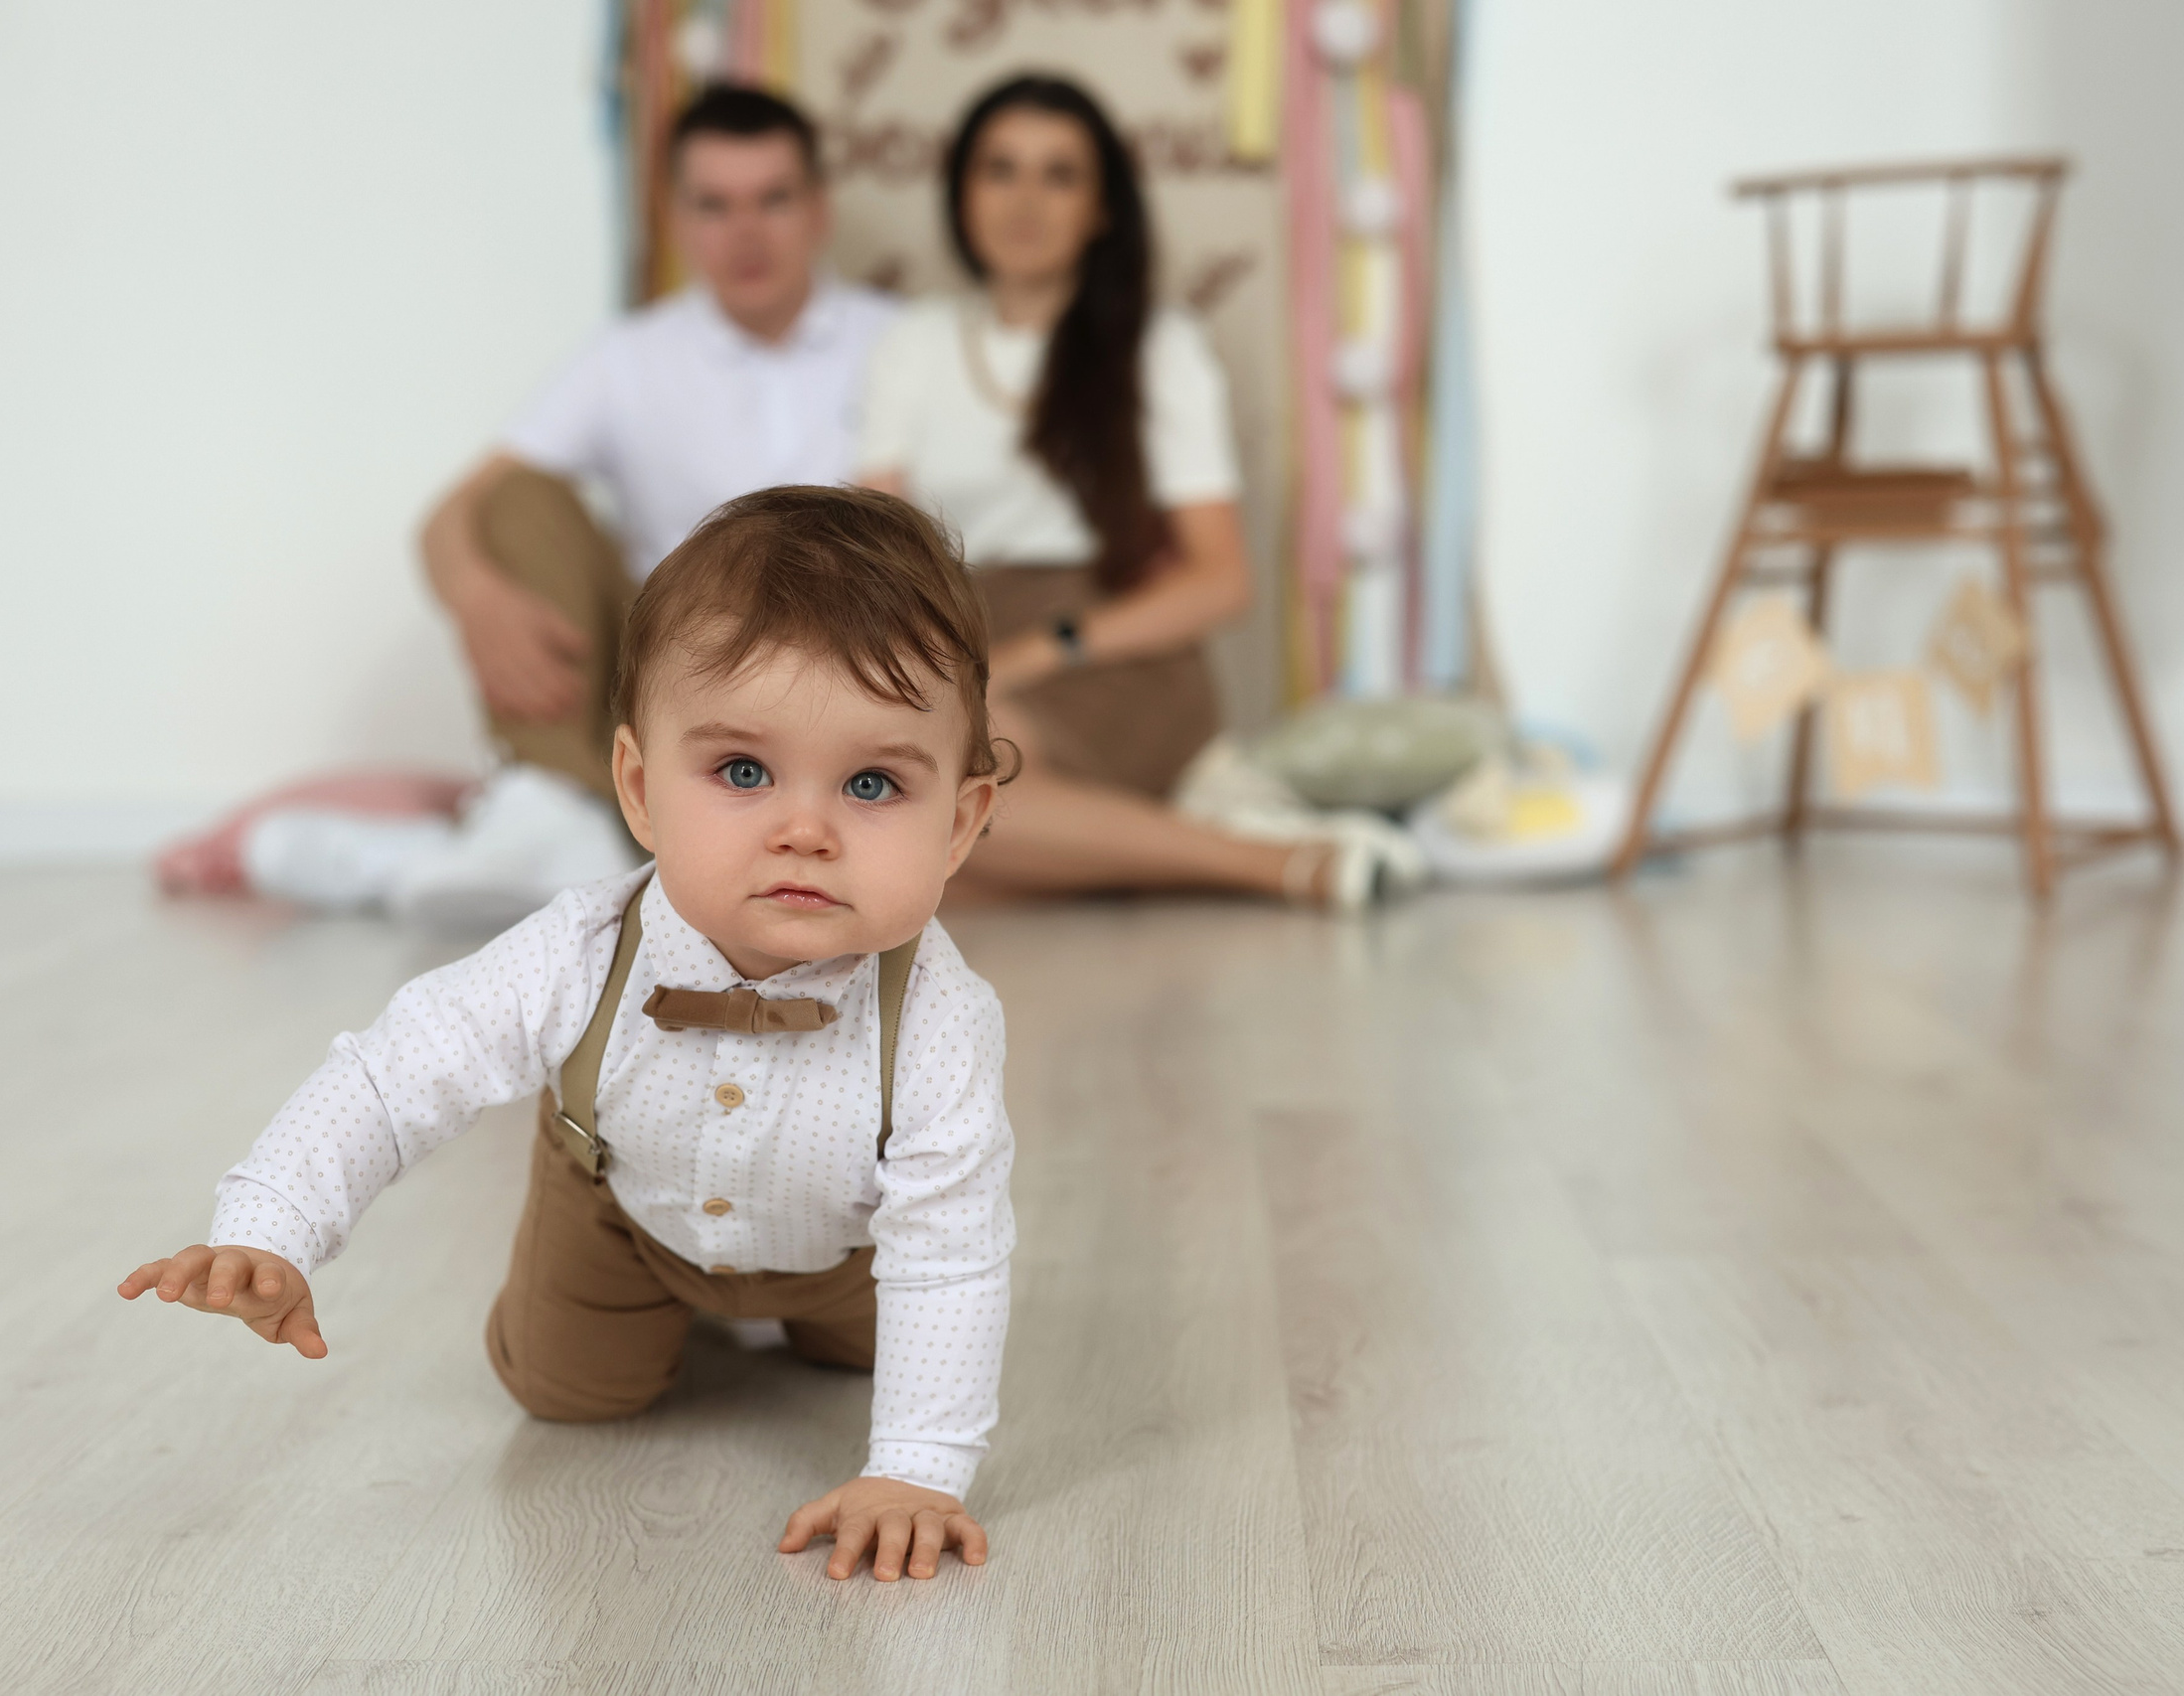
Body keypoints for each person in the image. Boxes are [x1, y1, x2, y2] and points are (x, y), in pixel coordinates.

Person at [120, 487, 1014, 1585]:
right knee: (563, 1392)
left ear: (958, 824)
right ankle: (649, 1317)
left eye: (872, 783)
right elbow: (395, 1075)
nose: (804, 829)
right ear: (639, 789)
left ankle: (816, 1328)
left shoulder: (939, 1020)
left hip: (850, 1248)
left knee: (890, 1352)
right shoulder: (578, 952)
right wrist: (271, 1228)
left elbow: (950, 1248)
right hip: (621, 1216)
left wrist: (916, 1468)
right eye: (743, 772)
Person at [858, 75, 1412, 908]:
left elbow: (1220, 581)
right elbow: (879, 549)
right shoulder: (915, 342)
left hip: (1110, 650)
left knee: (951, 793)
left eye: (1059, 175)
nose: (1024, 201)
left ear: (1103, 209)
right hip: (957, 639)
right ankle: (1180, 856)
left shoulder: (1158, 347)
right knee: (909, 823)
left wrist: (1039, 650)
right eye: (1000, 169)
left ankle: (1277, 866)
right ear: (962, 193)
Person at [419, 83, 896, 805]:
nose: (746, 233)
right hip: (673, 666)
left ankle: (577, 821)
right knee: (518, 500)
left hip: (848, 661)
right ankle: (550, 804)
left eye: (773, 199)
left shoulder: (903, 342)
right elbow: (457, 510)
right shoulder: (628, 356)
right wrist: (475, 597)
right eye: (714, 205)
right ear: (676, 219)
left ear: (818, 210)